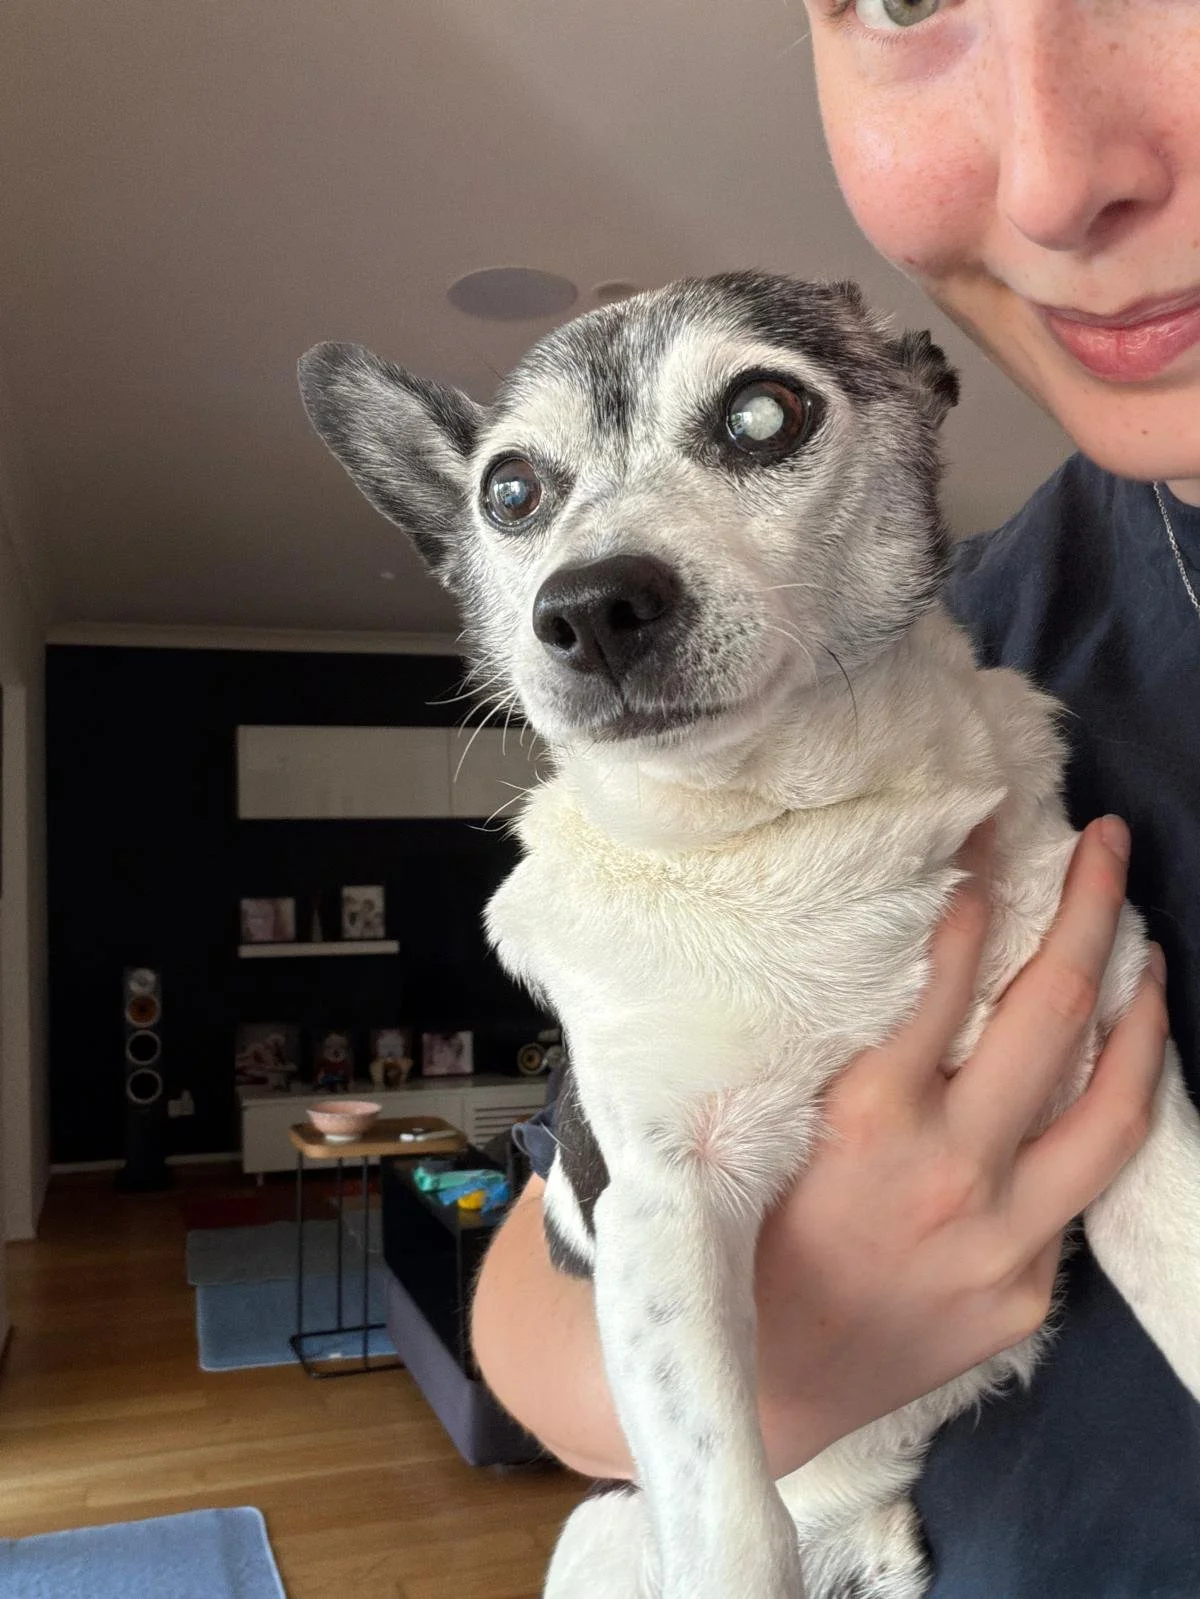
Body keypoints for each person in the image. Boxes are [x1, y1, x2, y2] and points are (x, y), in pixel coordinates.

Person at [471, 0, 1200, 1589]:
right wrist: (800, 1352)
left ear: (905, 423)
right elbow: (530, 1296)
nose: (1060, 177)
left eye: (757, 419)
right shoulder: (986, 632)